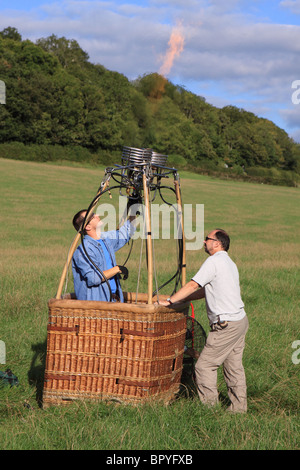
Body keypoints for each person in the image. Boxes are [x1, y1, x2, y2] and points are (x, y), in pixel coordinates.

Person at [159, 228, 249, 413]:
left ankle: (210, 410)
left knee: (204, 366)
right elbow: (206, 289)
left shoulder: (213, 261)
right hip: (239, 321)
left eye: (207, 239)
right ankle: (239, 409)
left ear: (217, 243)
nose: (204, 242)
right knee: (234, 368)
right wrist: (185, 298)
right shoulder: (228, 262)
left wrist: (170, 301)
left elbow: (193, 284)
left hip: (226, 325)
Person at [72, 207, 137, 302]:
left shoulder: (105, 240)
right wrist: (117, 269)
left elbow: (124, 234)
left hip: (113, 300)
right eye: (93, 216)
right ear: (88, 227)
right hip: (96, 304)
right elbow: (93, 278)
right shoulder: (83, 251)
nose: (97, 216)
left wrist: (133, 211)